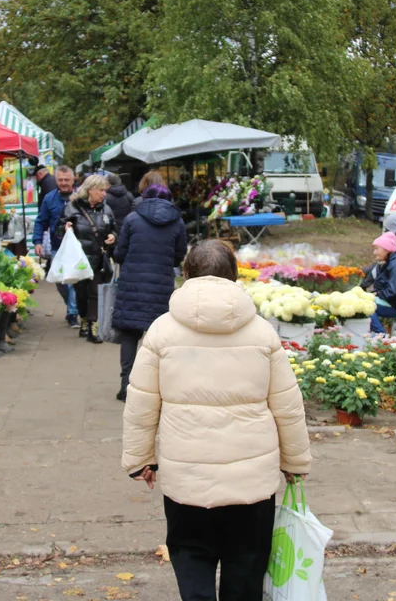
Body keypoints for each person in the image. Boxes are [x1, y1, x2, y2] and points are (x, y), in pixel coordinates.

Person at [122, 240, 311, 601]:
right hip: (251, 483)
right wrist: (295, 461)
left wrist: (139, 459)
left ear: (186, 273)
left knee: (191, 556)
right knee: (247, 567)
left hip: (187, 481)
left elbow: (141, 403)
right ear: (234, 277)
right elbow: (287, 405)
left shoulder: (161, 332)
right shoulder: (261, 333)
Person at [111, 184, 187, 402]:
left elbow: (120, 253)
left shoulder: (132, 219)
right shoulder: (177, 222)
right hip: (161, 287)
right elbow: (178, 255)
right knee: (159, 337)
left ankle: (126, 385)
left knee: (129, 335)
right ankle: (156, 386)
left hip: (132, 285)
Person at [57, 174, 116, 343]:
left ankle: (93, 328)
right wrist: (65, 227)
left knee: (95, 293)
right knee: (81, 294)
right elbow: (58, 230)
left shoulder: (106, 209)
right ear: (90, 190)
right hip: (79, 261)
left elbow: (114, 229)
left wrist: (113, 237)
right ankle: (84, 319)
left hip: (98, 260)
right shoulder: (72, 208)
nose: (104, 194)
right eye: (101, 190)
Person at [33, 166, 78, 328]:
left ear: (73, 180)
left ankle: (73, 313)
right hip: (57, 246)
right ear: (56, 180)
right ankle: (71, 306)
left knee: (73, 281)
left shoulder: (81, 197)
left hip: (77, 248)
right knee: (60, 281)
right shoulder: (49, 199)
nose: (64, 183)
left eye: (67, 180)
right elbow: (41, 221)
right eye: (60, 180)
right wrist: (37, 241)